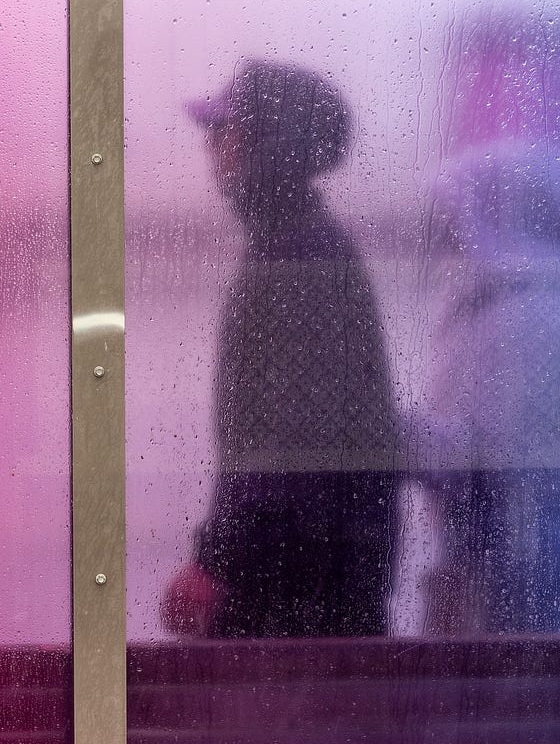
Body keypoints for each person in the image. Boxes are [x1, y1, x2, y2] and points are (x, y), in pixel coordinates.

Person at [161, 58, 401, 638]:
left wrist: (214, 563)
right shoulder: (294, 246)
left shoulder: (299, 261)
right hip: (307, 572)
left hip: (298, 585)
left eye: (225, 132)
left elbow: (288, 450)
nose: (210, 148)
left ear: (268, 147)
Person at [410, 140, 560, 634]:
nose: (446, 231)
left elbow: (491, 455)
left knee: (504, 678)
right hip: (501, 542)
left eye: (457, 216)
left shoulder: (528, 318)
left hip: (520, 552)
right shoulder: (493, 307)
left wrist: (386, 432)